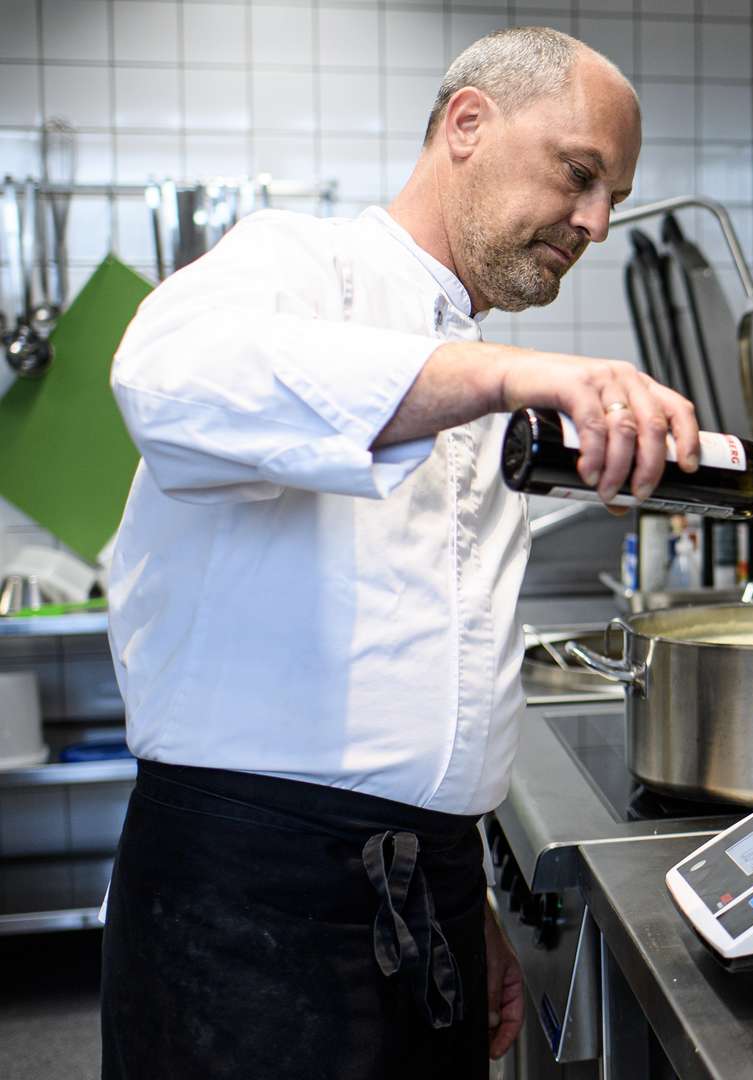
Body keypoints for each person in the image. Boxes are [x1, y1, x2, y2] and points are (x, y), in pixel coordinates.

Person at [98, 27, 696, 1079]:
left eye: (614, 198)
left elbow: (425, 675)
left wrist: (456, 895)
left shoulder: (472, 356)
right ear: (467, 124)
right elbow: (164, 382)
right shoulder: (300, 266)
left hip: (422, 897)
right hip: (245, 905)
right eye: (580, 174)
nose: (598, 223)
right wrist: (505, 374)